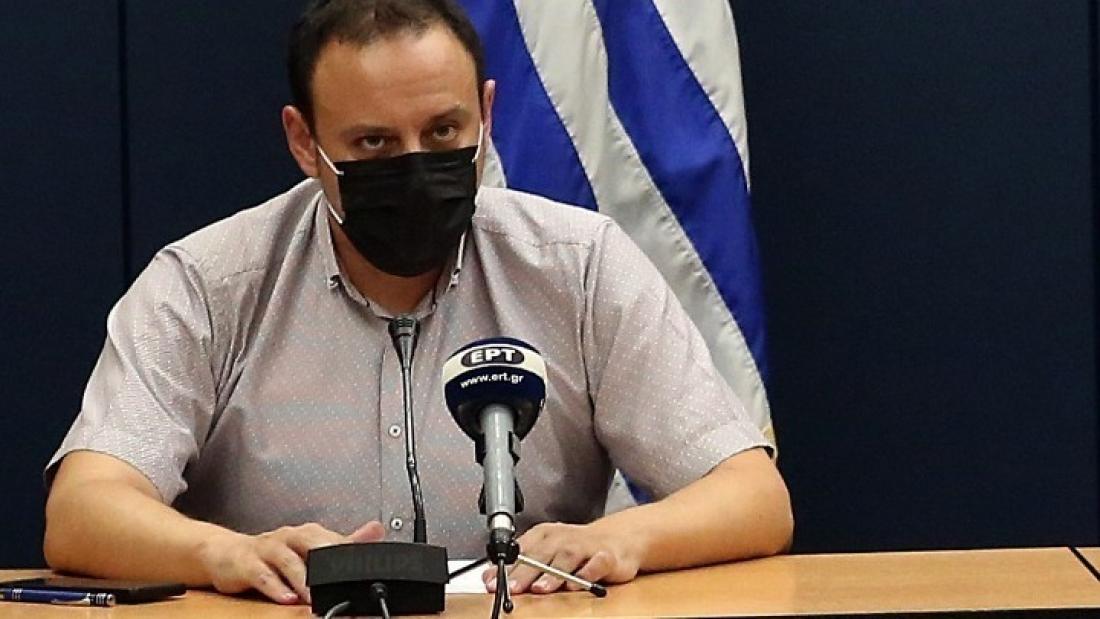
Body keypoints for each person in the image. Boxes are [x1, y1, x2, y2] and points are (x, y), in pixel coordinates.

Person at [43, 0, 793, 606]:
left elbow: (753, 497)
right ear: (304, 143)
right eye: (373, 144)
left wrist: (624, 538)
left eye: (443, 132)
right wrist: (224, 552)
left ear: (486, 114)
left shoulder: (579, 266)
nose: (414, 166)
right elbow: (83, 509)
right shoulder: (208, 285)